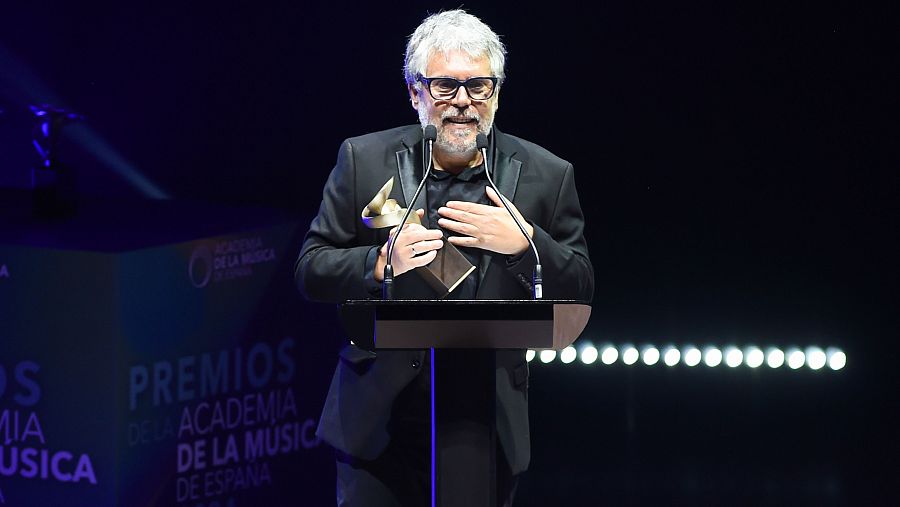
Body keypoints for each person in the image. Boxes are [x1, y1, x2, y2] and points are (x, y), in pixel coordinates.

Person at [295, 9, 593, 506]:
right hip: (378, 423)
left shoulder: (548, 174)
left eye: (478, 86)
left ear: (496, 93)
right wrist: (379, 263)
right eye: (444, 86)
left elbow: (580, 285)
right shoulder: (362, 159)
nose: (462, 102)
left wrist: (527, 245)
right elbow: (310, 269)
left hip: (487, 423)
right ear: (415, 92)